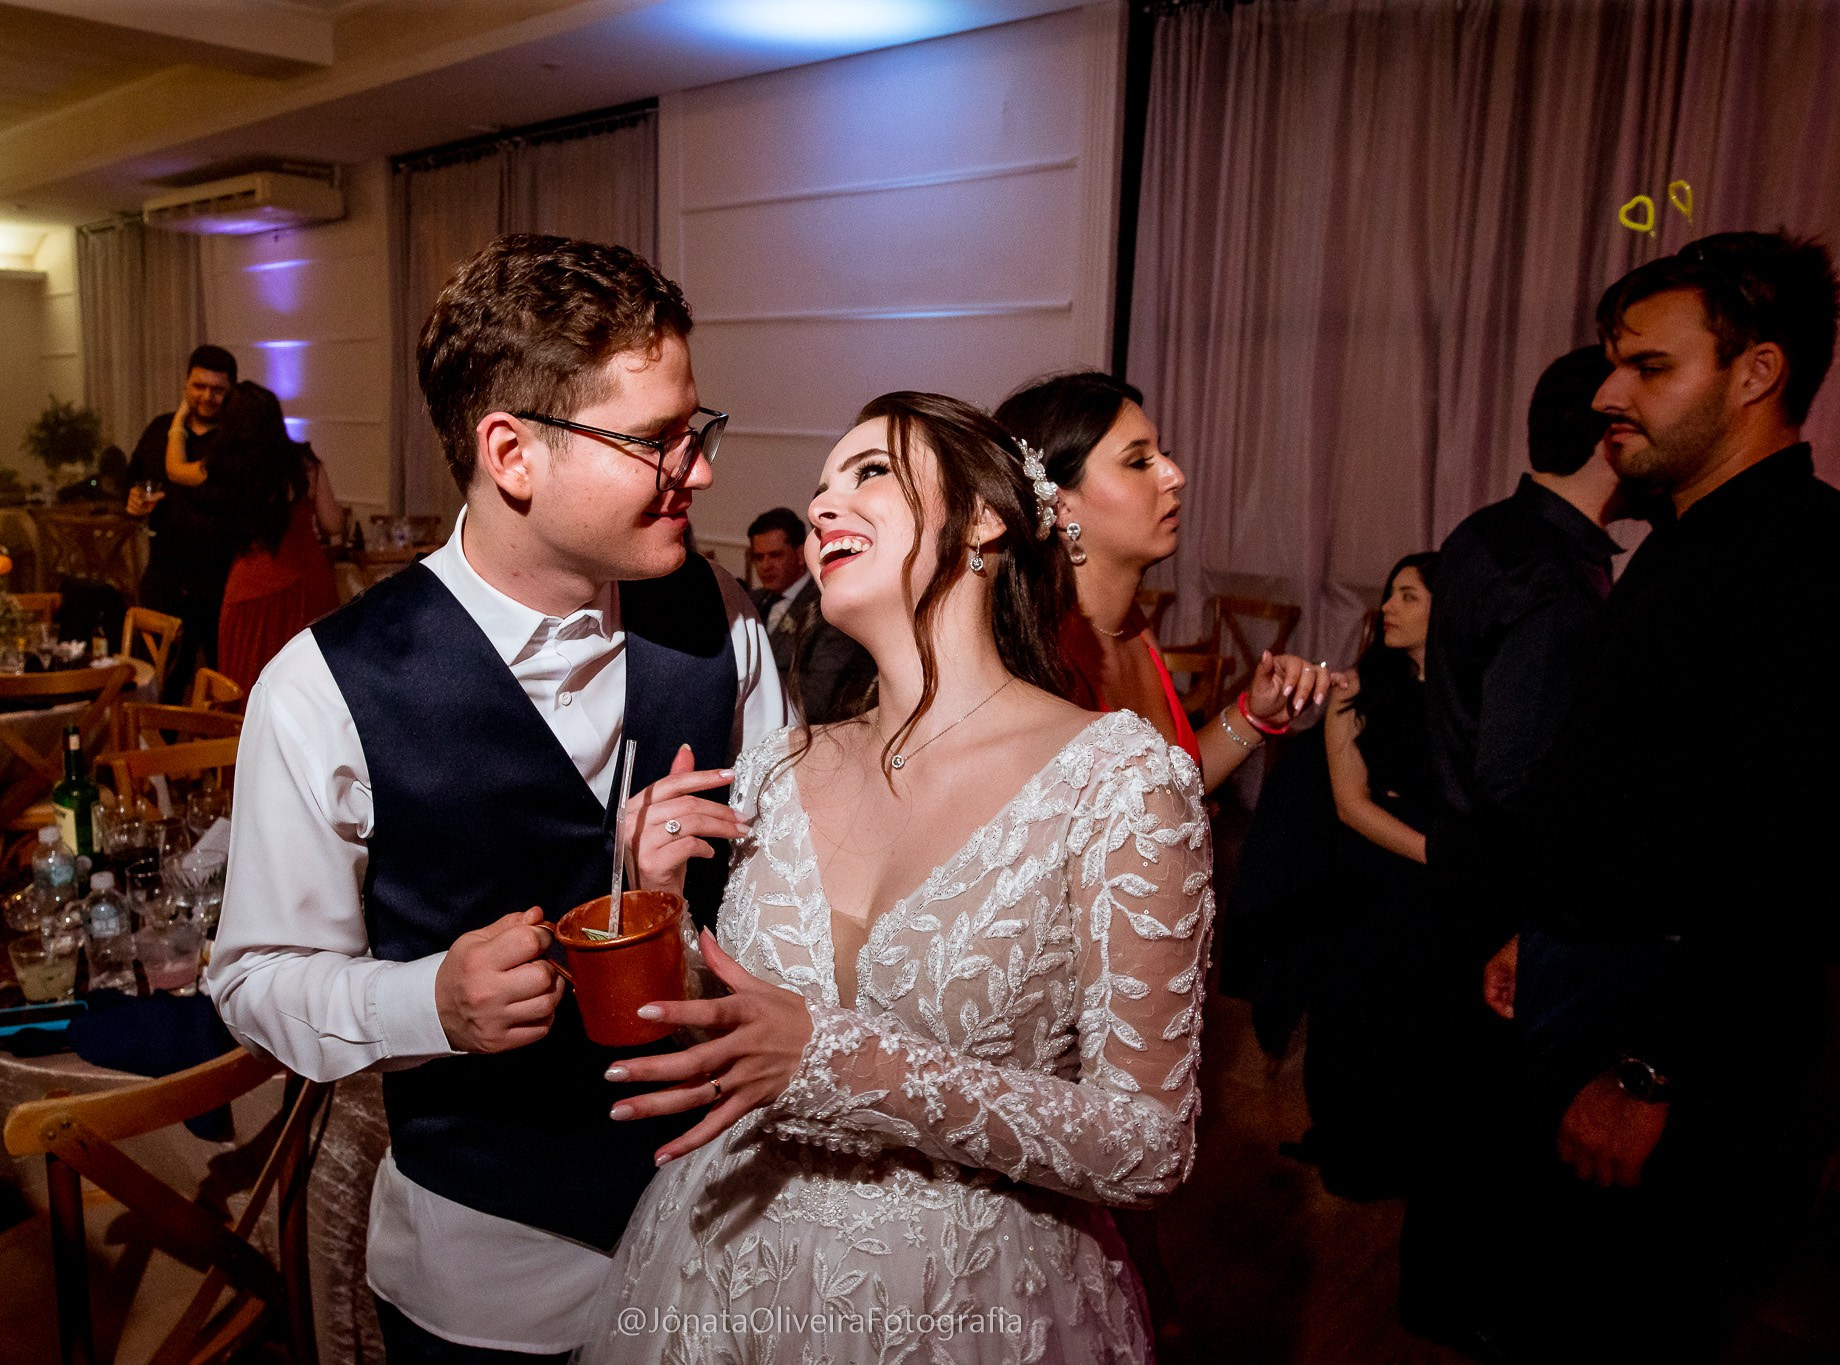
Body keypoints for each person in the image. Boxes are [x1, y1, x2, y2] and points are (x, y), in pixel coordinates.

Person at [207, 234, 786, 1364]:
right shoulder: (324, 687)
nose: (701, 471)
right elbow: (254, 979)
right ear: (512, 453)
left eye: (696, 430)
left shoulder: (721, 618)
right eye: (657, 441)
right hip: (491, 1269)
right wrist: (428, 1002)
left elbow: (793, 890)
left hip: (725, 1230)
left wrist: (684, 896)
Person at [578, 392, 1214, 1364]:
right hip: (722, 1271)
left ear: (985, 518)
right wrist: (654, 902)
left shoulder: (1118, 782)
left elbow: (1148, 1145)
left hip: (964, 1300)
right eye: (820, 487)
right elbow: (735, 1038)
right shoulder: (779, 765)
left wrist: (839, 1064)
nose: (822, 505)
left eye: (869, 472)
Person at [1507, 231, 1840, 1361]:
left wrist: (1652, 1068)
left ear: (1757, 373)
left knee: (1623, 1319)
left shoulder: (1805, 563)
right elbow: (1642, 780)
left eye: (1648, 366)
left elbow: (1786, 862)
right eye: (1614, 362)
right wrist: (1541, 925)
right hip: (1594, 976)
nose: (1608, 393)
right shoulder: (1691, 532)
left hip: (1671, 1030)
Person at [1401, 346, 1641, 1348]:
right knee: (1501, 1127)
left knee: (1459, 1112)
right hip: (1508, 888)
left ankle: (1438, 1300)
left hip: (1459, 863)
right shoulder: (1552, 579)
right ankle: (1476, 1316)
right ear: (1606, 436)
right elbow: (1518, 774)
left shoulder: (1483, 531)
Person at [994, 372, 1330, 793]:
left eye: (1163, 454)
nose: (1176, 475)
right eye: (1138, 462)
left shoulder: (1133, 627)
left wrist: (1253, 716)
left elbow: (1168, 793)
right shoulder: (1038, 662)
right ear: (1060, 507)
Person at [1281, 553, 1441, 1200]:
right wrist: (1444, 855)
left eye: (1409, 595)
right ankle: (1351, 1146)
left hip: (1437, 881)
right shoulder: (1356, 691)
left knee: (1422, 1020)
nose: (1388, 608)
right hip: (1374, 873)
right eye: (1389, 593)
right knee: (1355, 1017)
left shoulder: (1473, 694)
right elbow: (1351, 805)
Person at [159, 380, 341, 694]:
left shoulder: (224, 467)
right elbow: (334, 523)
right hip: (308, 580)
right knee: (310, 687)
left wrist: (179, 419)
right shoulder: (304, 462)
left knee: (252, 681)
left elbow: (175, 469)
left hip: (253, 586)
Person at [127, 346, 238, 702]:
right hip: (166, 577)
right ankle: (159, 737)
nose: (206, 396)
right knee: (159, 682)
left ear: (231, 391)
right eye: (198, 386)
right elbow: (134, 482)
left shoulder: (237, 440)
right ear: (186, 383)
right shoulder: (160, 429)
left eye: (217, 390)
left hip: (221, 580)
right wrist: (133, 503)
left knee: (224, 683)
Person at [745, 506, 874, 722]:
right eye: (759, 557)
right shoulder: (753, 600)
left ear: (799, 555)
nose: (765, 566)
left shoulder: (826, 607)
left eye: (775, 555)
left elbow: (817, 698)